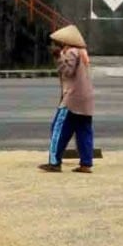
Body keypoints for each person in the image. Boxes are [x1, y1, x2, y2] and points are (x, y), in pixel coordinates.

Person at [39, 24, 96, 173]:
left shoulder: (71, 52)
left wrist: (58, 58)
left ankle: (54, 162)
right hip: (85, 99)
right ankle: (86, 163)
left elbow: (68, 71)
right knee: (84, 130)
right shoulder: (83, 53)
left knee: (58, 128)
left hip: (72, 99)